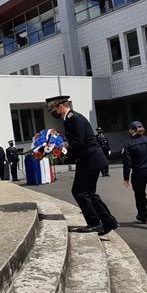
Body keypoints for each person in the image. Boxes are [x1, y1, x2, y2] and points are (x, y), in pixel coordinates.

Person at [46, 95, 118, 235]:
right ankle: (108, 221)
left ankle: (94, 222)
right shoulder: (70, 119)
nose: (53, 113)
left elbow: (79, 142)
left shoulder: (74, 118)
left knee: (80, 191)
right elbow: (75, 140)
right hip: (90, 160)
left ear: (60, 106)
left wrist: (62, 149)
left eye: (53, 109)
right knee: (89, 193)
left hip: (89, 160)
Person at [121, 121, 147, 224]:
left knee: (140, 196)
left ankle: (143, 217)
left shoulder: (129, 144)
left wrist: (126, 177)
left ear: (131, 130)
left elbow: (127, 163)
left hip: (139, 173)